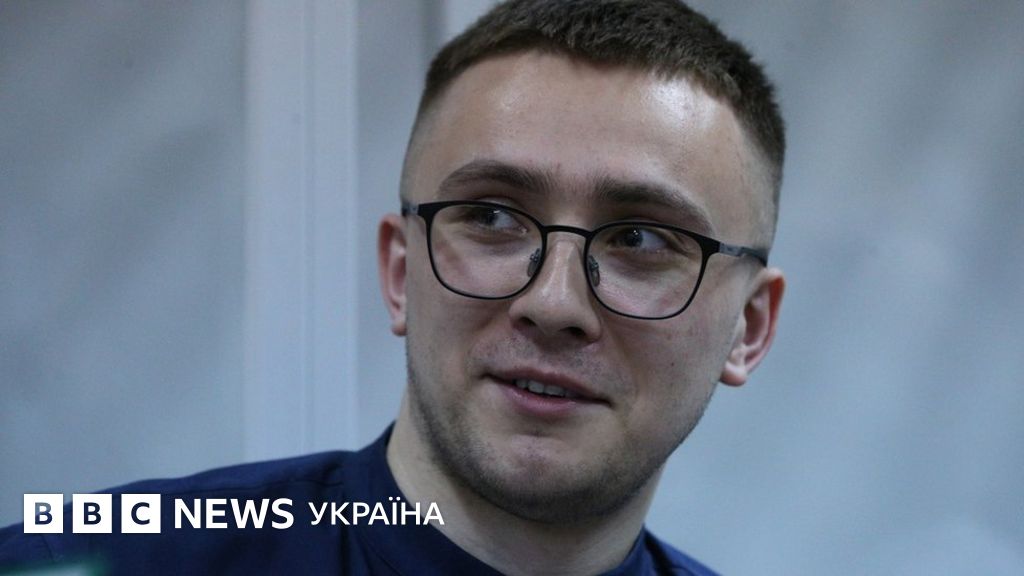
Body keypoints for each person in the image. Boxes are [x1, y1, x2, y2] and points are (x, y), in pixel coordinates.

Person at [0, 0, 785, 574]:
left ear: (749, 330)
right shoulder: (85, 558)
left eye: (641, 240)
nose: (552, 303)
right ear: (401, 273)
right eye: (490, 217)